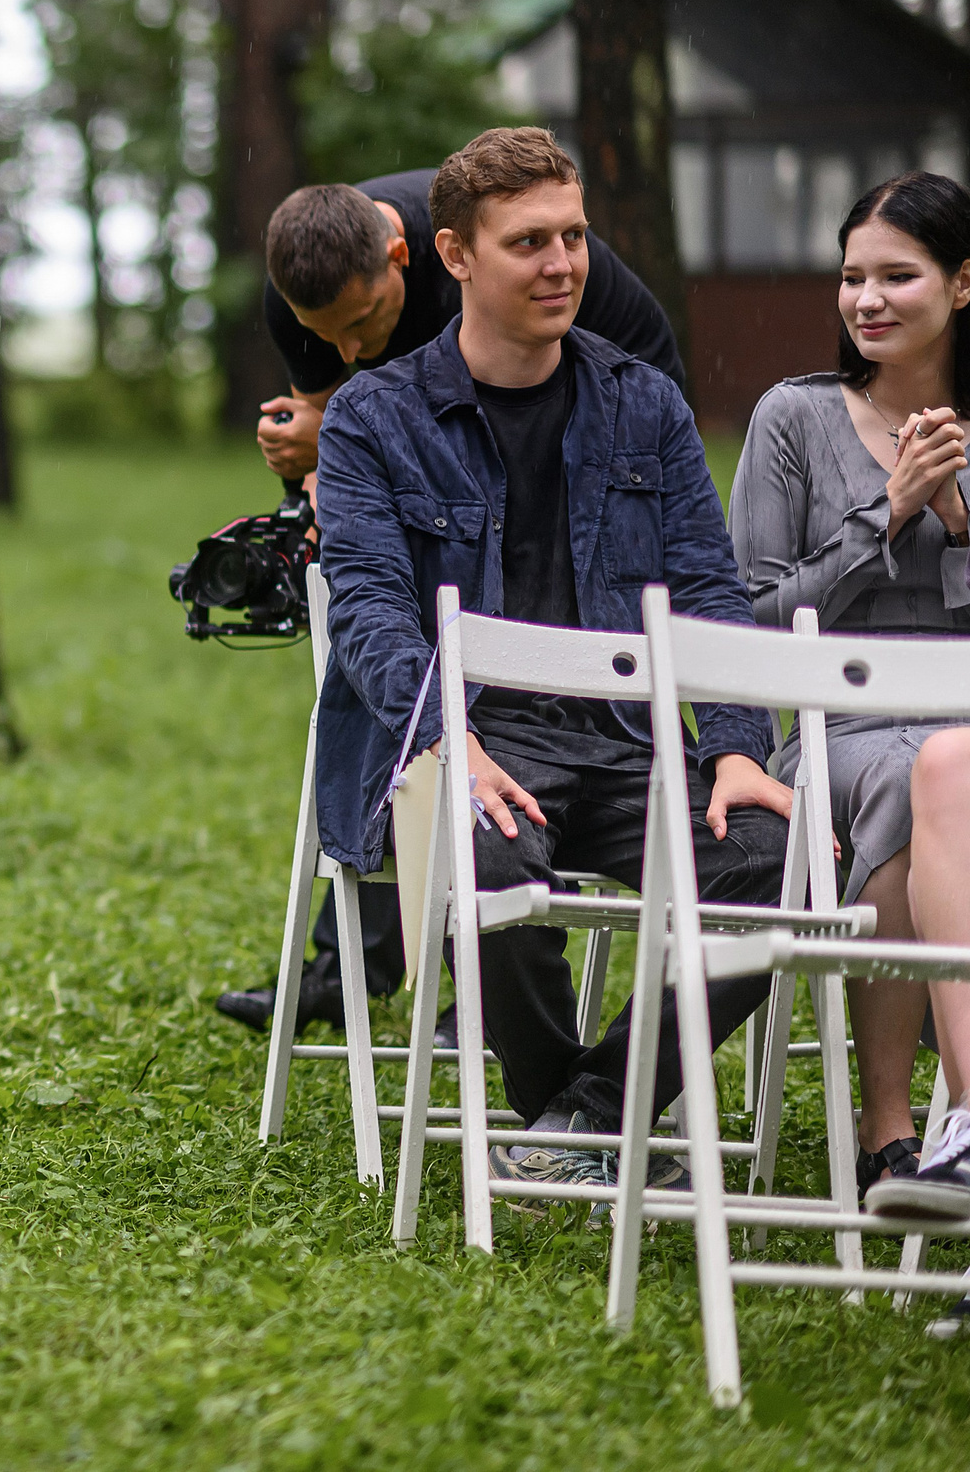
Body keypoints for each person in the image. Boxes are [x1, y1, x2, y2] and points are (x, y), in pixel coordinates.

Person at [313, 126, 791, 1191]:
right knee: (477, 859)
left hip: (623, 739)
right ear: (454, 255)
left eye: (573, 236)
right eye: (529, 241)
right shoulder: (371, 419)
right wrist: (447, 737)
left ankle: (586, 1115)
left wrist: (737, 747)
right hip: (475, 732)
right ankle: (577, 1119)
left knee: (772, 861)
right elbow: (372, 614)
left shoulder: (644, 401)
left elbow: (708, 590)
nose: (563, 263)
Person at [217, 161, 691, 1037]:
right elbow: (342, 429)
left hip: (586, 435)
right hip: (435, 473)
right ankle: (353, 964)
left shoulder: (490, 267)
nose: (349, 351)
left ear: (411, 256)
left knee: (493, 695)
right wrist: (316, 456)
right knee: (399, 680)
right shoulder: (310, 291)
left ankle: (478, 990)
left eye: (365, 322)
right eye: (327, 334)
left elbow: (482, 430)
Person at [730, 170, 970, 1218]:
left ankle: (938, 1130)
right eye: (851, 276)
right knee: (913, 778)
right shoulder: (792, 419)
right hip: (841, 724)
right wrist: (889, 513)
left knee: (944, 768)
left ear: (962, 283)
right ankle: (899, 1123)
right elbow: (751, 615)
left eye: (896, 275)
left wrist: (957, 519)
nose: (866, 299)